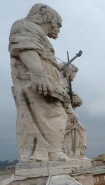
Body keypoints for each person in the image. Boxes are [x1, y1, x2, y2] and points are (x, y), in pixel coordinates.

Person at [9, 4, 70, 162]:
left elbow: (42, 56)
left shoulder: (37, 33)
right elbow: (24, 48)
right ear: (45, 14)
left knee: (55, 115)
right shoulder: (24, 26)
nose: (58, 28)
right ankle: (46, 151)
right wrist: (38, 73)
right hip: (36, 80)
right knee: (51, 114)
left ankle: (52, 151)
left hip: (47, 80)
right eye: (57, 23)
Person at [61, 63, 87, 159]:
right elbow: (64, 97)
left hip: (70, 113)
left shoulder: (66, 83)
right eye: (74, 73)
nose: (74, 76)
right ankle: (71, 154)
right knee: (78, 132)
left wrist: (78, 101)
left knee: (79, 132)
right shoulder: (61, 81)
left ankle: (76, 153)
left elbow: (74, 98)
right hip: (64, 113)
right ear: (69, 70)